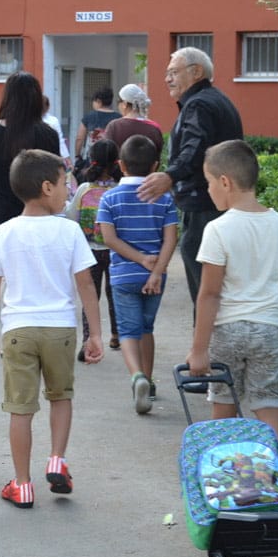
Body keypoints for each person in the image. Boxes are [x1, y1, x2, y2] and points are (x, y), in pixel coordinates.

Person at [0, 149, 104, 508]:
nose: (68, 190)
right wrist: (95, 332)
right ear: (47, 187)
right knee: (60, 397)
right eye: (65, 183)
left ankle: (22, 484)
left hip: (18, 330)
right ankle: (57, 460)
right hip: (60, 329)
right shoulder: (69, 231)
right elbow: (86, 285)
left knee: (21, 409)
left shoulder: (3, 232)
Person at [185, 139, 278, 474]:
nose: (208, 191)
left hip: (229, 329)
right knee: (268, 401)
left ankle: (225, 474)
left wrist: (199, 350)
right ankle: (277, 468)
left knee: (224, 400)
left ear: (225, 182)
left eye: (208, 183)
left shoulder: (218, 229)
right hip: (269, 327)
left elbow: (209, 294)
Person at [137, 48, 243, 312]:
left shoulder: (200, 104)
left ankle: (204, 349)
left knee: (206, 289)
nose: (167, 79)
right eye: (167, 74)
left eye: (173, 72)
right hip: (216, 205)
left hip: (204, 206)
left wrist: (170, 175)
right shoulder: (214, 100)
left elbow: (196, 147)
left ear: (196, 72)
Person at [97, 135, 178, 414]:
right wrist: (155, 270)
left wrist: (138, 258)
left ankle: (137, 378)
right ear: (155, 165)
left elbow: (109, 238)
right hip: (156, 277)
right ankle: (150, 380)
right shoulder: (164, 199)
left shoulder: (109, 198)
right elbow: (171, 240)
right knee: (146, 329)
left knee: (128, 331)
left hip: (122, 275)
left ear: (120, 165)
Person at [0, 71, 61, 228]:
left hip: (2, 218)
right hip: (42, 219)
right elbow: (56, 176)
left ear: (8, 98)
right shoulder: (48, 134)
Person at [64, 138, 121, 357]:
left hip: (89, 251)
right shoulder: (119, 189)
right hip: (117, 250)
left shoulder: (85, 189)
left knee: (90, 295)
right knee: (114, 293)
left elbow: (72, 217)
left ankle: (88, 339)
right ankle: (116, 336)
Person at [103, 83, 165, 158]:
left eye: (118, 101)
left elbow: (106, 154)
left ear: (125, 104)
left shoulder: (114, 126)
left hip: (119, 169)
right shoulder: (154, 128)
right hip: (148, 170)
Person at [73, 86, 121, 180]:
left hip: (92, 160)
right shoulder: (119, 118)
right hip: (112, 161)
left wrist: (78, 155)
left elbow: (80, 138)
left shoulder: (89, 117)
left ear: (98, 101)